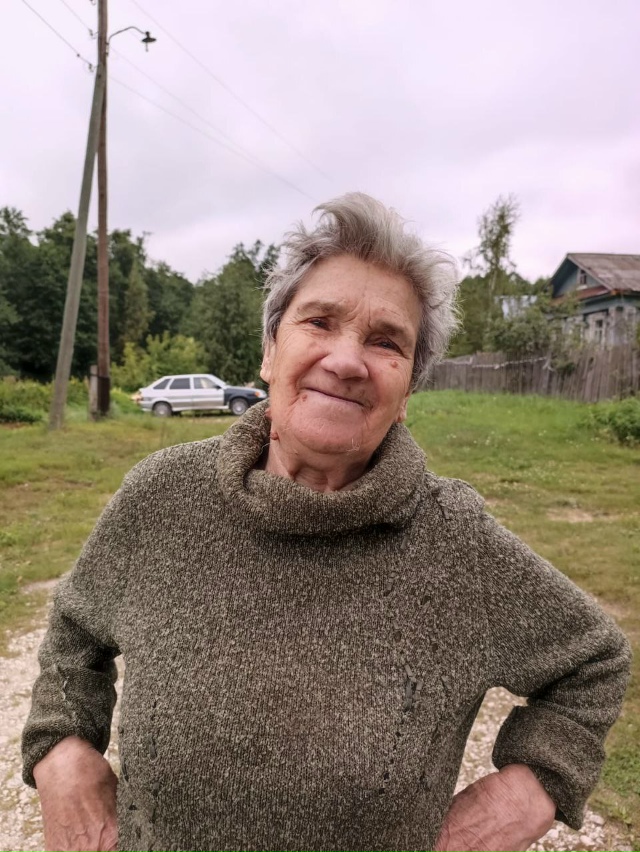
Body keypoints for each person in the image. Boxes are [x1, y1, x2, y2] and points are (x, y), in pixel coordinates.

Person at [23, 193, 630, 852]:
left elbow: (594, 662)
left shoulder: (455, 542)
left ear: (407, 391)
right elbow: (76, 628)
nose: (345, 361)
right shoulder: (163, 496)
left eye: (385, 341)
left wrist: (523, 794)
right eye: (319, 322)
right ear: (270, 351)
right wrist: (62, 750)